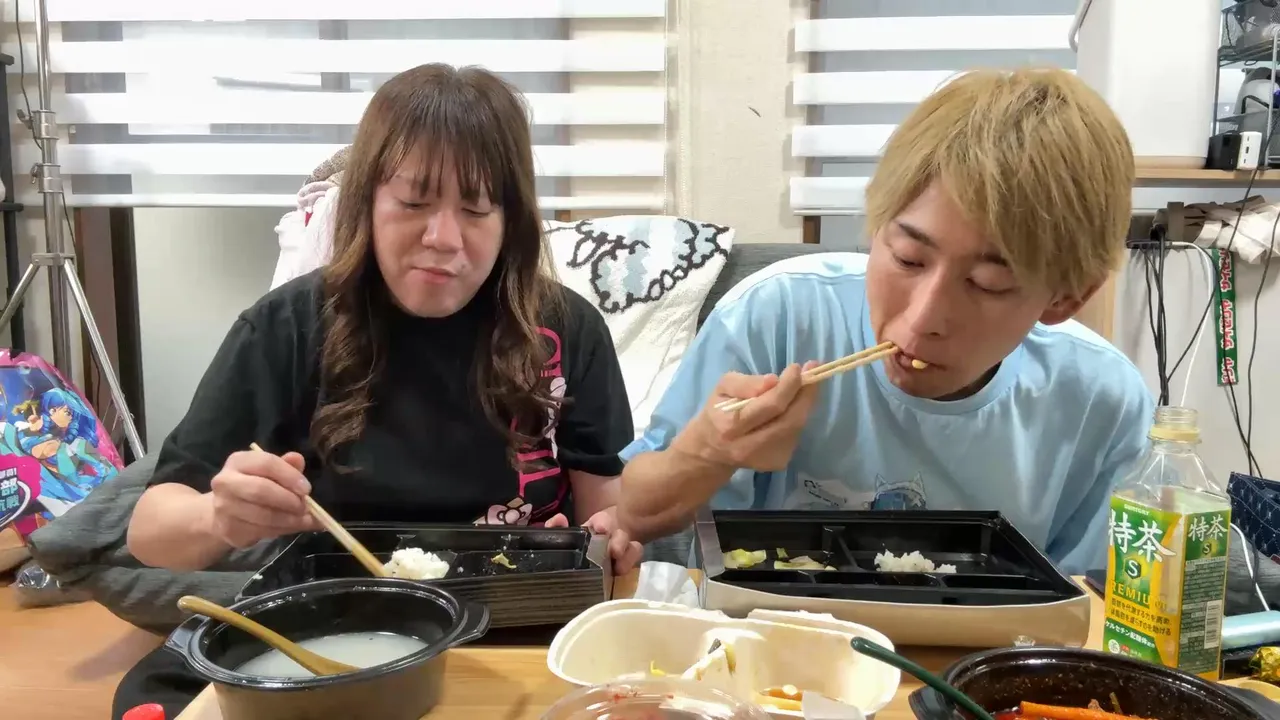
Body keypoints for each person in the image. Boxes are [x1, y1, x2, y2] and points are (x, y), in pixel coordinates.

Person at [616, 68, 1153, 575]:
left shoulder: (1099, 401)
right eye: (908, 258)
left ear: (1066, 298)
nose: (924, 318)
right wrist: (708, 452)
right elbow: (635, 514)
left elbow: (1090, 607)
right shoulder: (778, 314)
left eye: (987, 283)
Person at [126, 63, 642, 574]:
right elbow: (149, 535)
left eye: (477, 209)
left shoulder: (569, 330)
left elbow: (606, 513)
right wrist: (218, 517)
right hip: (343, 609)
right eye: (413, 202)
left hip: (523, 604)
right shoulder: (285, 327)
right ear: (367, 201)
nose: (443, 238)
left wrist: (610, 534)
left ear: (511, 221)